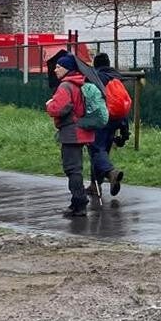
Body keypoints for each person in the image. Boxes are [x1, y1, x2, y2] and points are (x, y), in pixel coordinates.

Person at [44, 52, 95, 217]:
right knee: (76, 168)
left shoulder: (66, 86)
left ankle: (80, 203)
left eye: (59, 67)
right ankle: (76, 203)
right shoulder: (81, 83)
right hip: (82, 130)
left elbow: (59, 108)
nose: (55, 70)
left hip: (71, 132)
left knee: (72, 169)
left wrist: (49, 105)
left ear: (67, 69)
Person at [88, 53, 126, 198]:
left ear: (95, 64)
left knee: (96, 151)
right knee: (103, 151)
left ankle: (111, 173)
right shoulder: (116, 77)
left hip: (100, 119)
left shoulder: (96, 77)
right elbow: (122, 101)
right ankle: (95, 185)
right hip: (116, 119)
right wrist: (124, 129)